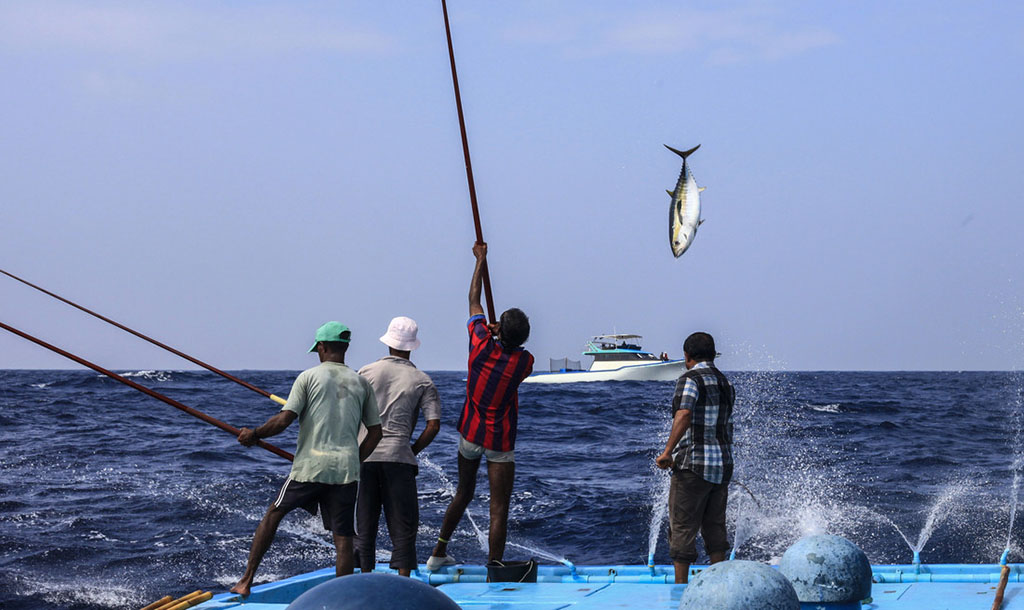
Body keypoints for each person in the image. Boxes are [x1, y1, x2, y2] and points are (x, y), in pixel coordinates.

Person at [230, 321, 383, 596]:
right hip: (346, 471)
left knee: (274, 514)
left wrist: (254, 434)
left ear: (322, 348)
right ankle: (343, 597)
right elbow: (375, 433)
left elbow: (283, 419)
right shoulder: (361, 382)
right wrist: (355, 459)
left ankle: (246, 580)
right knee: (344, 537)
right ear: (345, 347)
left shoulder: (308, 377)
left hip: (309, 468)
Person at [427, 242, 534, 570]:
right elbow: (513, 348)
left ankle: (438, 553)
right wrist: (500, 331)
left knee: (463, 492)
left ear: (498, 328)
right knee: (499, 507)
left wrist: (480, 260)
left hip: (470, 435)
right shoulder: (524, 362)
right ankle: (495, 566)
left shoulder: (480, 346)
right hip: (500, 440)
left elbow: (473, 300)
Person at [354, 316, 442, 576]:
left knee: (365, 525)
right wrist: (411, 450)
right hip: (400, 457)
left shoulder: (365, 373)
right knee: (403, 528)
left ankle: (365, 580)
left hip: (365, 457)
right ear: (412, 346)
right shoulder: (422, 380)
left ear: (388, 342)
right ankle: (404, 584)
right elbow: (433, 425)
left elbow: (351, 413)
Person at [655, 331, 734, 584]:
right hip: (722, 465)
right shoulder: (725, 382)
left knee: (682, 527)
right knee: (715, 527)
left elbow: (684, 414)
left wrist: (667, 452)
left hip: (693, 465)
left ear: (687, 356)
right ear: (713, 355)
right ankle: (720, 583)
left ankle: (680, 589)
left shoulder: (689, 378)